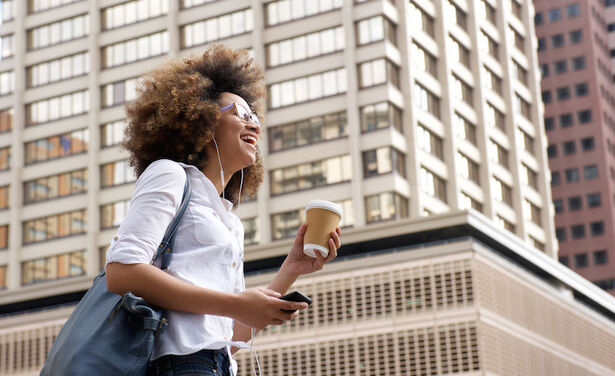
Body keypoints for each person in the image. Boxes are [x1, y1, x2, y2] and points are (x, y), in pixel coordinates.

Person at [104, 44, 342, 376]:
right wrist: (236, 304)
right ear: (201, 119)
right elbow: (121, 271)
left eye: (255, 117)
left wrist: (291, 269)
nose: (255, 126)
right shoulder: (169, 175)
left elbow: (227, 341)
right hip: (177, 367)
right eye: (241, 114)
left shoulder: (230, 221)